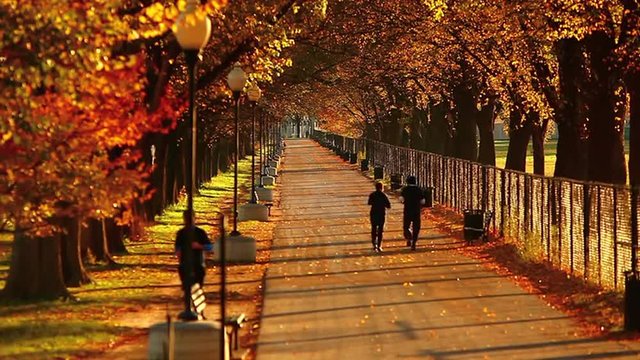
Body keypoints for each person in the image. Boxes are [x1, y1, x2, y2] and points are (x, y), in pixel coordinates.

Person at [174, 210, 213, 316]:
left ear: (194, 219)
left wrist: (199, 246)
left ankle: (198, 311)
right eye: (186, 219)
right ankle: (190, 309)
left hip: (198, 265)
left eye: (190, 219)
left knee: (197, 288)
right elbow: (177, 249)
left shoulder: (200, 232)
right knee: (187, 288)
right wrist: (179, 253)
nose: (188, 222)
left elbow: (210, 247)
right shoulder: (181, 233)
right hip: (184, 265)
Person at [399, 175, 425, 250]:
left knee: (406, 226)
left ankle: (408, 237)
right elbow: (423, 201)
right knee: (416, 227)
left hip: (407, 210)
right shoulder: (419, 190)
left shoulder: (405, 189)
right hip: (416, 210)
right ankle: (414, 242)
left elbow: (401, 199)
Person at [368, 182, 391, 252]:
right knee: (381, 230)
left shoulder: (372, 195)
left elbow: (369, 203)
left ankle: (374, 244)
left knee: (374, 228)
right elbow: (388, 206)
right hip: (381, 214)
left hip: (374, 213)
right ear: (382, 188)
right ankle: (379, 245)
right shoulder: (384, 195)